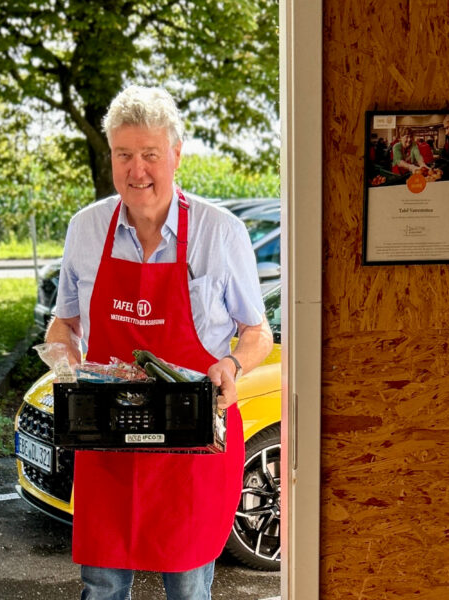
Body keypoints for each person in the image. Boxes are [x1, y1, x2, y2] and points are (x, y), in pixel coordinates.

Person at [45, 85, 274, 600]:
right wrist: (67, 370)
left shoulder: (221, 233)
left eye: (150, 154)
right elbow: (64, 326)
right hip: (108, 439)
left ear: (176, 154)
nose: (137, 170)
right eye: (124, 154)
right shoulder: (86, 229)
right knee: (101, 587)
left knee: (189, 588)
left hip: (190, 440)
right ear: (111, 157)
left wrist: (232, 365)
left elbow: (257, 331)